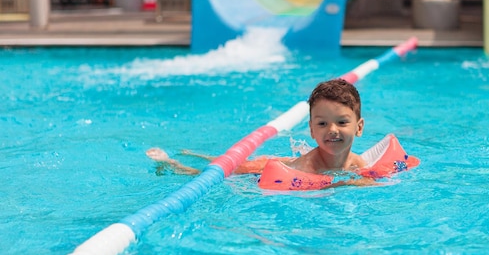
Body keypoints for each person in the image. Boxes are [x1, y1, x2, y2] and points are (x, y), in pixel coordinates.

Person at [146, 78, 376, 187]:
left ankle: (197, 155)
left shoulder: (359, 163)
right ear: (311, 130)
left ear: (359, 127)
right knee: (221, 170)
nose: (333, 130)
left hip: (279, 162)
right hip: (268, 169)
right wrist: (345, 184)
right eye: (323, 124)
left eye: (342, 122)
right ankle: (172, 162)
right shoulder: (304, 168)